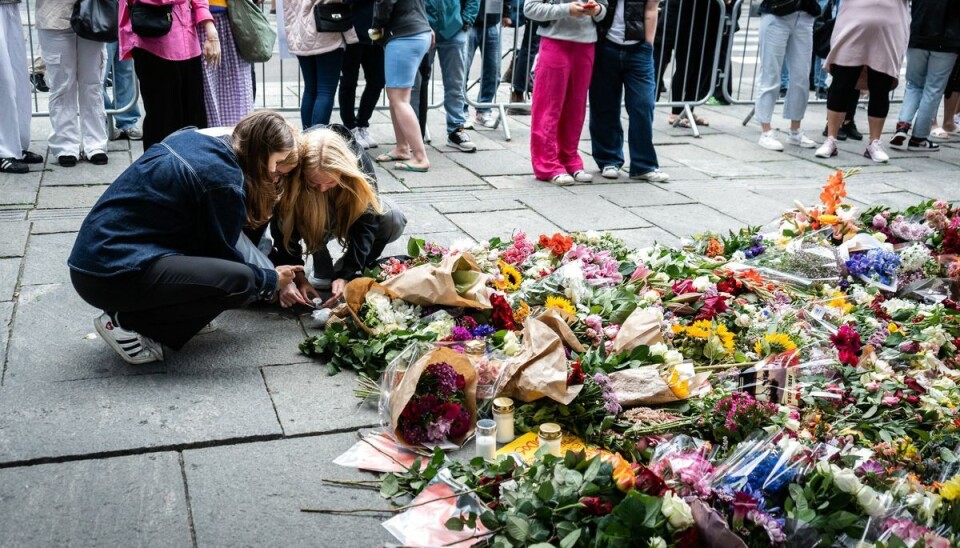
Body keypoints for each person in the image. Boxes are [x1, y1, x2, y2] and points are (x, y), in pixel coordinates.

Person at [68, 111, 301, 365]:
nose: (275, 174)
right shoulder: (224, 181)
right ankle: (126, 324)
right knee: (241, 282)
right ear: (260, 153)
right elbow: (223, 258)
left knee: (225, 276)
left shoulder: (201, 141)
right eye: (277, 164)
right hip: (109, 275)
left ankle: (166, 317)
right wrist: (270, 279)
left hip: (97, 260)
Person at [263, 127, 407, 307]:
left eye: (330, 181)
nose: (322, 188)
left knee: (392, 218)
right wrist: (296, 276)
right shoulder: (293, 166)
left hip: (344, 214)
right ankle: (320, 261)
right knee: (307, 210)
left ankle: (343, 270)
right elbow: (282, 228)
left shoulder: (358, 162)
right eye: (314, 182)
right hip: (309, 217)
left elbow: (367, 224)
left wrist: (348, 272)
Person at [119, 0, 222, 150]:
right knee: (162, 122)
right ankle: (160, 170)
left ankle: (192, 169)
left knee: (194, 122)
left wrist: (211, 30)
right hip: (153, 43)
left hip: (189, 42)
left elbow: (200, 2)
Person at [525, 0, 607, 185]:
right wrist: (566, 9)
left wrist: (597, 10)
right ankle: (547, 164)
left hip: (586, 44)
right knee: (548, 106)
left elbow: (604, 9)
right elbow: (530, 8)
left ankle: (570, 159)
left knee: (576, 107)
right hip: (555, 41)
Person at [816, 0, 909, 162]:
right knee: (841, 85)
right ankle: (831, 138)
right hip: (851, 28)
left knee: (881, 87)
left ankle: (874, 142)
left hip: (889, 31)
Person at [589, 0, 669, 182]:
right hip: (604, 45)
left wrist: (647, 45)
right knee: (604, 105)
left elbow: (651, 9)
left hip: (638, 48)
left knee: (643, 105)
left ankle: (643, 164)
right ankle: (608, 159)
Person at [37, 0, 109, 166]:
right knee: (62, 86)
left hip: (94, 13)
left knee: (92, 84)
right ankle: (65, 145)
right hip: (54, 15)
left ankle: (95, 144)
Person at [888, 0, 960, 152]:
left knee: (913, 84)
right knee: (933, 89)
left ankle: (902, 126)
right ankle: (919, 137)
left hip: (918, 35)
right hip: (947, 39)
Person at [371, 0, 434, 171]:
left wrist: (375, 26)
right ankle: (402, 147)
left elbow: (385, 4)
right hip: (417, 32)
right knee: (395, 96)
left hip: (404, 36)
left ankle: (420, 158)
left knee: (399, 99)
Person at [411, 0, 479, 152]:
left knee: (455, 84)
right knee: (416, 85)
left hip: (453, 30)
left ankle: (456, 129)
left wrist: (466, 20)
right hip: (422, 29)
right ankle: (413, 133)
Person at [754, 0, 821, 152]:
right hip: (776, 12)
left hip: (805, 15)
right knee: (770, 74)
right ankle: (766, 131)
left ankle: (795, 130)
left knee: (802, 76)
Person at [285, 0, 358, 128]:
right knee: (325, 91)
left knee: (310, 89)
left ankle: (307, 139)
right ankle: (316, 142)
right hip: (326, 29)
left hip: (300, 33)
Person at [654, 0, 723, 128]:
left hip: (710, 15)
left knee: (703, 66)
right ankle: (676, 112)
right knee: (686, 66)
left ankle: (688, 110)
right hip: (687, 16)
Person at [0, 0, 42, 174]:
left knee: (19, 80)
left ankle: (16, 144)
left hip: (10, 5)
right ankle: (4, 150)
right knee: (4, 82)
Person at [338, 0, 386, 149]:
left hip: (376, 33)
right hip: (352, 30)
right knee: (349, 82)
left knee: (378, 80)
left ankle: (362, 123)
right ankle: (350, 127)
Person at [200, 0, 255, 126]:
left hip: (233, 20)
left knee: (239, 96)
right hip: (206, 22)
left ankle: (238, 138)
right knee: (210, 97)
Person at [463, 0, 507, 128]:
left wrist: (506, 12)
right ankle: (461, 110)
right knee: (462, 70)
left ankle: (484, 109)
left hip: (491, 22)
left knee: (494, 70)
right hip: (469, 23)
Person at [503, 0, 539, 115]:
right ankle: (518, 92)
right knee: (530, 47)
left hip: (538, 7)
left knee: (530, 47)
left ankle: (515, 78)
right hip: (538, 7)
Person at [103, 41, 143, 141]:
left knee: (126, 71)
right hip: (103, 30)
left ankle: (127, 121)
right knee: (100, 74)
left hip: (123, 29)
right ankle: (104, 122)